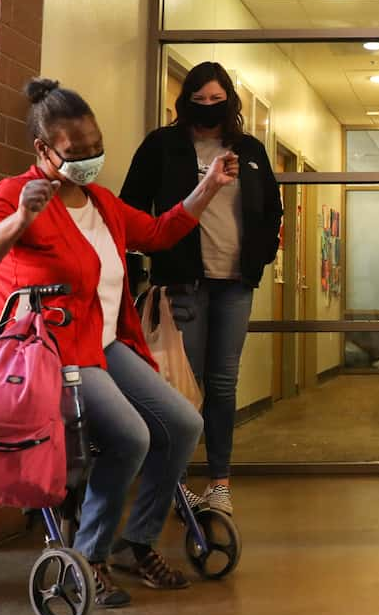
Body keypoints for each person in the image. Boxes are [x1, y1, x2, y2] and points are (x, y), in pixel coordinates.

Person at [0, 77, 237, 608]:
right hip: (50, 351)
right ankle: (89, 556)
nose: (90, 158)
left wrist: (209, 187)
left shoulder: (101, 202)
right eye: (77, 152)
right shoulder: (15, 193)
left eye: (96, 147)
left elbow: (156, 233)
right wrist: (22, 218)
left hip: (102, 344)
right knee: (132, 437)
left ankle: (137, 542)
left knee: (183, 424)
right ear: (44, 149)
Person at [121, 61, 282, 516]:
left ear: (230, 101)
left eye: (217, 100)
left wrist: (262, 255)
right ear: (186, 101)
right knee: (181, 387)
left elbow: (272, 208)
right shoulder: (163, 146)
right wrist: (154, 253)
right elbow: (130, 208)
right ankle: (176, 481)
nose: (209, 108)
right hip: (182, 281)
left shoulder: (249, 149)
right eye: (200, 100)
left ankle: (220, 482)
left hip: (235, 283)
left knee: (224, 384)